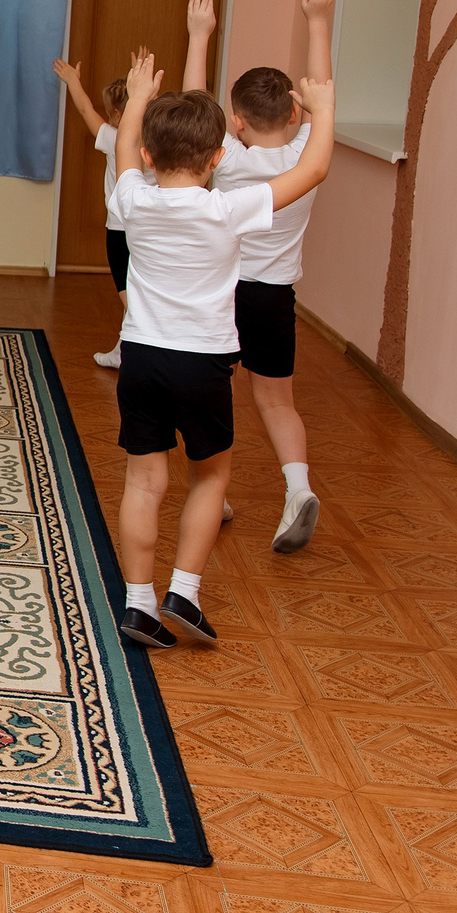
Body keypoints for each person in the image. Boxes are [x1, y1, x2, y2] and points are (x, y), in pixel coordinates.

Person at [109, 51, 334, 651]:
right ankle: (184, 591)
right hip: (202, 363)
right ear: (217, 159)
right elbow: (313, 169)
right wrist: (323, 108)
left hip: (142, 358)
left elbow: (123, 150)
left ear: (150, 156)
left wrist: (137, 99)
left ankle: (137, 603)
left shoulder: (131, 199)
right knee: (210, 476)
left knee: (143, 482)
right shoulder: (228, 208)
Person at [185, 0, 333, 554]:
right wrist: (317, 20)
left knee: (213, 392)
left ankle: (213, 493)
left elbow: (194, 106)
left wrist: (200, 35)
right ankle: (298, 489)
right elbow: (322, 94)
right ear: (296, 113)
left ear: (236, 120)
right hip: (273, 298)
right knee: (276, 401)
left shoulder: (229, 159)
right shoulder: (304, 158)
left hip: (223, 295)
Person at [53, 55, 139, 369]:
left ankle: (133, 352)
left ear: (116, 115)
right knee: (139, 293)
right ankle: (123, 349)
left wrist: (73, 81)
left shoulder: (115, 138)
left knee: (130, 296)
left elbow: (85, 110)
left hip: (120, 230)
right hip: (149, 229)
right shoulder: (158, 141)